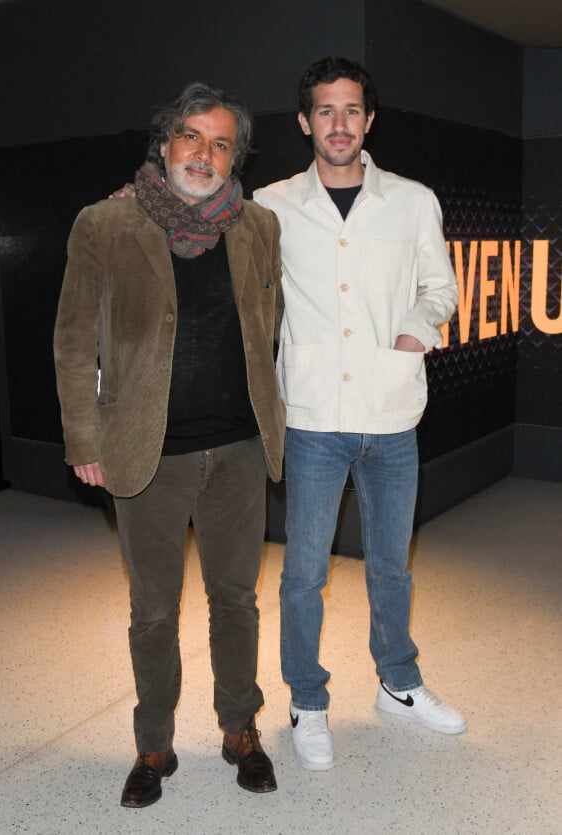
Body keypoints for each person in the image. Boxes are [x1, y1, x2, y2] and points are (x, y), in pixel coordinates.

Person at [53, 81, 285, 806]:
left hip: (239, 451)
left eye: (221, 142)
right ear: (164, 143)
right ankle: (154, 742)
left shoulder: (259, 227)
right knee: (153, 610)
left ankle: (240, 727)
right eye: (191, 136)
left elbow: (267, 330)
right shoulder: (105, 224)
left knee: (237, 600)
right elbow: (71, 339)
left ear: (234, 155)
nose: (204, 153)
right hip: (146, 454)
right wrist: (82, 435)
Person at [253, 56, 466, 772]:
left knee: (390, 567)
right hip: (313, 416)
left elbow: (441, 286)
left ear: (368, 120)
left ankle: (398, 685)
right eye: (324, 111)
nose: (338, 124)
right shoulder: (271, 205)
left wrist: (415, 330)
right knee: (303, 572)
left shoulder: (412, 201)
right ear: (305, 121)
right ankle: (307, 700)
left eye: (351, 111)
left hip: (393, 411)